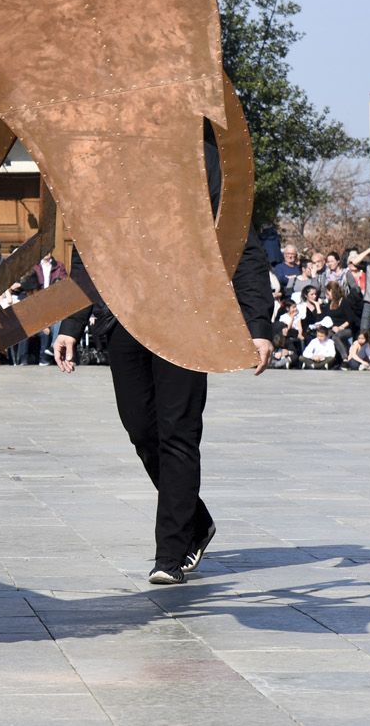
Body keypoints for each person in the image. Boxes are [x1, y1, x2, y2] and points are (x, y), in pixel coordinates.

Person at [53, 137, 275, 586]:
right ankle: (196, 520)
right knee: (141, 430)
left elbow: (241, 242)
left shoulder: (203, 158)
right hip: (124, 318)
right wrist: (71, 323)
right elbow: (94, 246)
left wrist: (258, 324)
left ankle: (170, 555)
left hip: (186, 317)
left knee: (178, 432)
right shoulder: (111, 161)